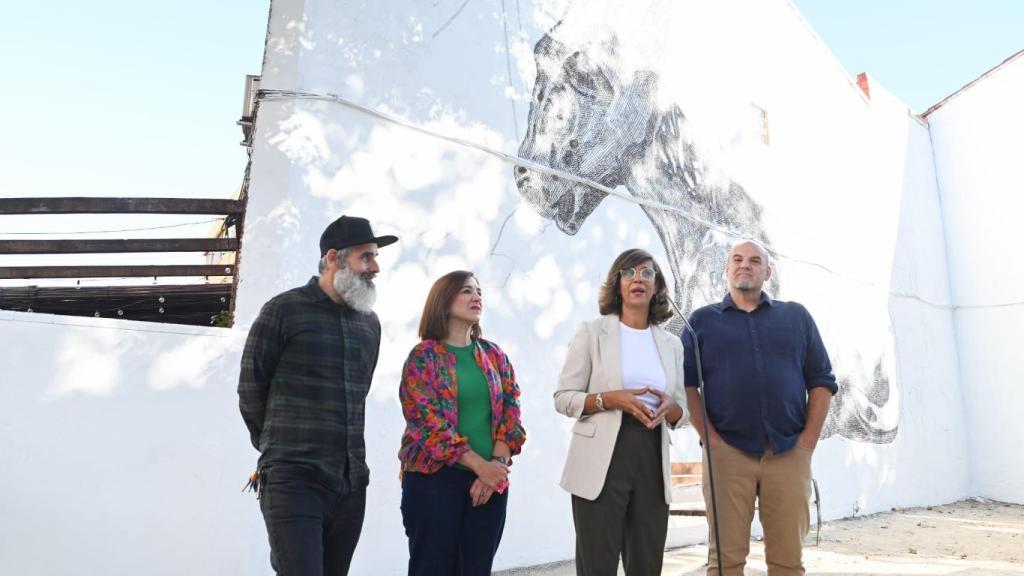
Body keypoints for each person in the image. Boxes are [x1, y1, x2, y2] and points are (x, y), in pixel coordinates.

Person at [238, 215, 398, 576]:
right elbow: (251, 387)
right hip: (294, 480)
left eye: (375, 257)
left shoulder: (369, 325)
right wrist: (279, 448)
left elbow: (360, 393)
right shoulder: (283, 310)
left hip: (351, 483)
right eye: (366, 257)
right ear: (333, 258)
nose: (376, 267)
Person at [682, 240, 838, 576]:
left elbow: (822, 380)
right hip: (727, 455)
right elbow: (686, 384)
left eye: (755, 261)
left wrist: (808, 441)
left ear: (767, 272)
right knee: (725, 562)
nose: (745, 265)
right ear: (726, 269)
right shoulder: (702, 322)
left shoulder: (796, 317)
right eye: (737, 259)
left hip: (788, 451)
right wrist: (710, 438)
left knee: (787, 562)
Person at [554, 248, 689, 576]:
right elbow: (564, 398)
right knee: (597, 564)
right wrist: (610, 399)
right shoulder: (591, 332)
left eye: (646, 273)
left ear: (657, 287)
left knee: (647, 563)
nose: (638, 279)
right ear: (617, 285)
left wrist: (671, 410)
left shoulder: (672, 344)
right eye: (628, 273)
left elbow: (682, 409)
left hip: (651, 457)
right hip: (602, 459)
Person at [398, 271, 527, 576]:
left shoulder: (494, 355)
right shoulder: (422, 357)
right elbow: (428, 426)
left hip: (491, 481)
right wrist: (480, 467)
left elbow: (512, 415)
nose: (477, 297)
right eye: (467, 291)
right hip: (434, 482)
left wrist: (494, 467)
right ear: (443, 301)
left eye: (479, 291)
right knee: (432, 568)